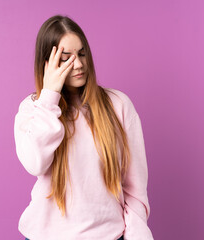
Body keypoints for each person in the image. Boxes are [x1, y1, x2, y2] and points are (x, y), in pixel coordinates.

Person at [14, 14, 154, 240]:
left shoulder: (119, 105)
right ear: (47, 64)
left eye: (81, 54)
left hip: (108, 235)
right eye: (66, 58)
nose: (78, 64)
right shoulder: (33, 109)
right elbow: (35, 163)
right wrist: (49, 97)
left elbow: (135, 190)